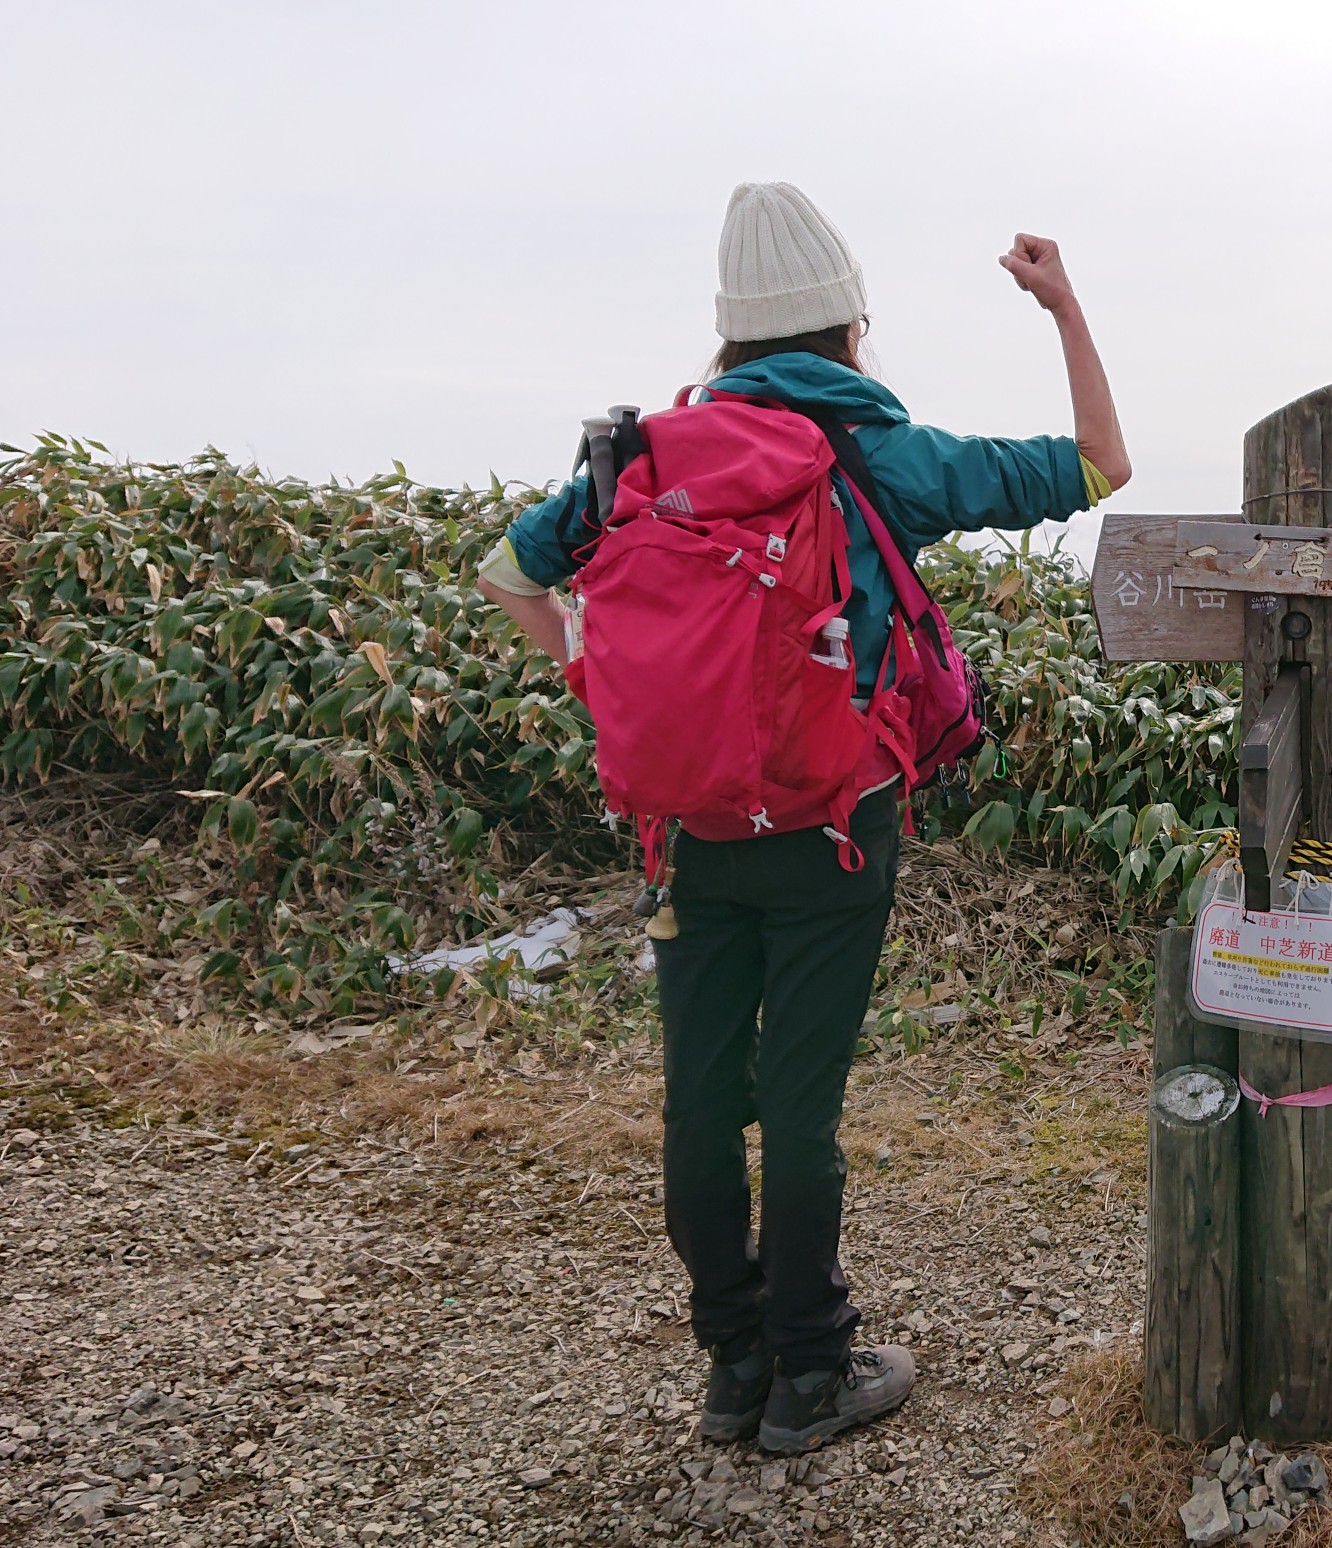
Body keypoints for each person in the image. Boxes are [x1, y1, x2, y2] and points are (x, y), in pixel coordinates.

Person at [474, 182, 1130, 1453]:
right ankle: (812, 1376)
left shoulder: (640, 458)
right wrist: (1063, 305)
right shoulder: (873, 450)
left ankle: (732, 1369)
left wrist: (588, 671)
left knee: (702, 1101)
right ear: (848, 328)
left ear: (727, 340)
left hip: (689, 832)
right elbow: (1102, 464)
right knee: (802, 1105)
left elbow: (510, 573)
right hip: (835, 827)